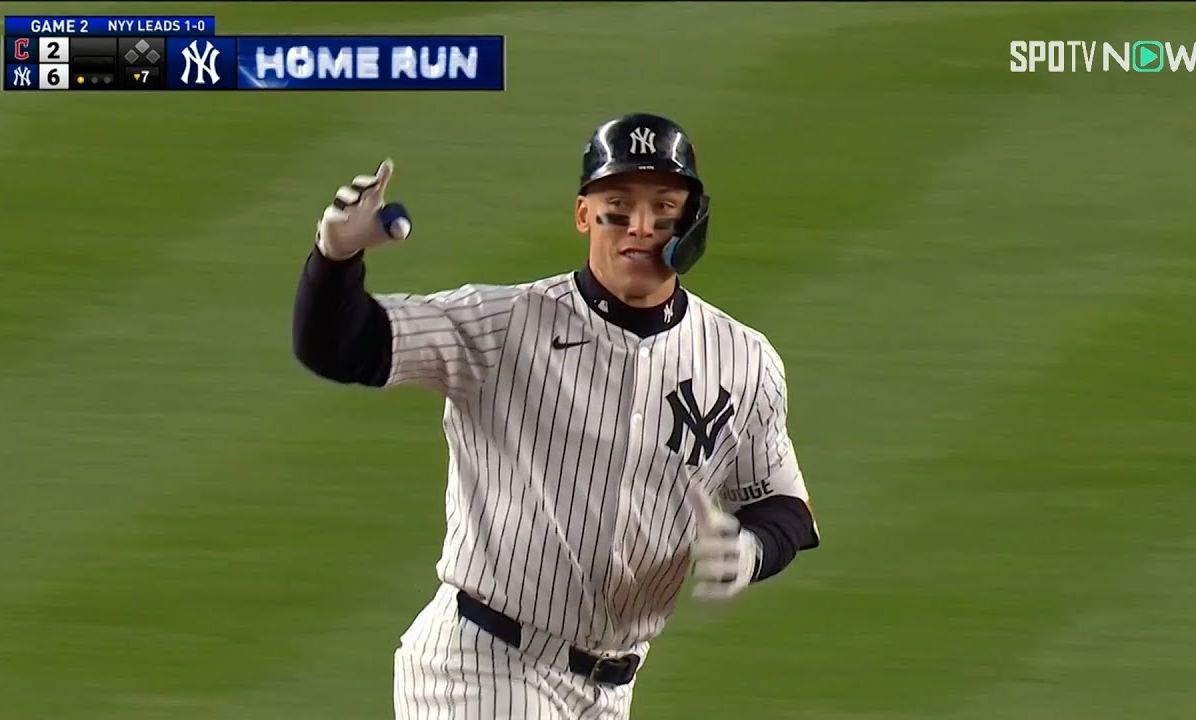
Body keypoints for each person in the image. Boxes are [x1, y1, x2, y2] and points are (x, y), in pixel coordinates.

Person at [292, 112, 819, 719]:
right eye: (618, 207)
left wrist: (750, 550)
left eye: (664, 208)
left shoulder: (743, 359)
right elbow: (339, 347)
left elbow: (784, 506)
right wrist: (336, 258)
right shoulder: (502, 324)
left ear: (693, 220)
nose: (641, 227)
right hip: (481, 667)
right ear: (583, 216)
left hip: (610, 691)